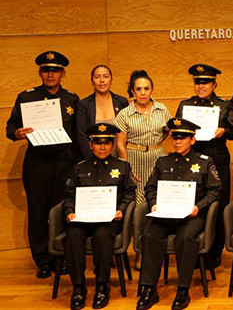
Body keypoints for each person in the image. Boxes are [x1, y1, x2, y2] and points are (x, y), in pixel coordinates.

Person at [5, 50, 80, 278]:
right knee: (38, 213)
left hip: (64, 162)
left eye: (55, 70)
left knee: (61, 211)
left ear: (62, 73)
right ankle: (42, 260)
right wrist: (17, 132)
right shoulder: (26, 98)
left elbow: (77, 135)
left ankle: (62, 258)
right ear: (40, 72)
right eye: (46, 70)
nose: (50, 74)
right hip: (37, 163)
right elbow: (10, 128)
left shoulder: (71, 99)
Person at [136, 118, 221, 310]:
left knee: (185, 238)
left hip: (192, 214)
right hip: (165, 213)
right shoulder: (163, 161)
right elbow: (150, 188)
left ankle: (183, 290)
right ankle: (149, 289)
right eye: (174, 138)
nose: (177, 142)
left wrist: (199, 206)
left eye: (182, 138)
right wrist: (154, 204)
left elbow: (215, 190)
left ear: (192, 139)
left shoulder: (205, 162)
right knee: (149, 235)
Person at [62, 123, 136, 310]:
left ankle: (102, 286)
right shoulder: (79, 168)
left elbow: (130, 193)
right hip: (82, 218)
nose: (102, 147)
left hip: (109, 220)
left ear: (112, 145)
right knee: (72, 236)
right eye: (98, 143)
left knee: (102, 235)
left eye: (107, 143)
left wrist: (122, 209)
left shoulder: (122, 166)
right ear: (90, 144)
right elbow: (68, 195)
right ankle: (79, 288)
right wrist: (69, 211)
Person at [176, 63, 233, 266]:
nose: (201, 86)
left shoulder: (224, 105)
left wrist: (224, 131)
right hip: (191, 163)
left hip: (217, 162)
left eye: (205, 82)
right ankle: (194, 251)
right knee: (193, 205)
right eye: (198, 82)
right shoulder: (185, 106)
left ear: (214, 84)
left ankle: (214, 252)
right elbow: (179, 131)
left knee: (218, 206)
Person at [115, 70, 171, 204]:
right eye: (138, 89)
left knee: (157, 198)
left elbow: (168, 132)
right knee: (136, 201)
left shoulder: (162, 109)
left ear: (152, 90)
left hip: (157, 158)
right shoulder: (124, 114)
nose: (143, 93)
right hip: (134, 160)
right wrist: (128, 169)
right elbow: (120, 145)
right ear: (133, 92)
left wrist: (154, 143)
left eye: (146, 88)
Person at [75, 64, 129, 160]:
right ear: (92, 81)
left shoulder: (122, 102)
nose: (102, 80)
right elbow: (81, 136)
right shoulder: (84, 104)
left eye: (106, 76)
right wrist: (91, 160)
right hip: (92, 160)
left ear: (111, 80)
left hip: (118, 159)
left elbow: (128, 132)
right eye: (97, 77)